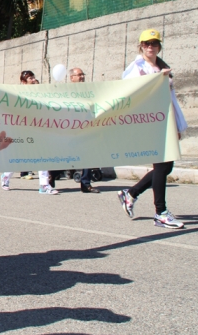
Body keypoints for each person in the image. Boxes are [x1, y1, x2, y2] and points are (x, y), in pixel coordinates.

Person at [117, 29, 187, 229]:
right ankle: (160, 213)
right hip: (150, 122)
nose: (150, 46)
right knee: (163, 164)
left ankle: (130, 194)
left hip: (166, 119)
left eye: (154, 43)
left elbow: (170, 98)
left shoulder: (161, 65)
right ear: (141, 46)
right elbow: (131, 91)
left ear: (159, 46)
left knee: (166, 167)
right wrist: (157, 79)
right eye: (147, 43)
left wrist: (176, 124)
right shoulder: (137, 67)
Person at [1, 71, 58, 194]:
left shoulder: (39, 94)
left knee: (43, 156)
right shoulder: (16, 95)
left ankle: (44, 185)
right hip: (21, 130)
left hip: (38, 129)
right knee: (19, 158)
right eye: (30, 78)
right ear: (23, 82)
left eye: (33, 78)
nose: (33, 80)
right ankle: (6, 176)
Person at [69, 68, 100, 194]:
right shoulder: (65, 91)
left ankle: (85, 184)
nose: (82, 77)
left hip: (86, 127)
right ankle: (52, 177)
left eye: (83, 74)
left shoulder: (89, 91)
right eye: (79, 74)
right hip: (68, 127)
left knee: (88, 154)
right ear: (72, 78)